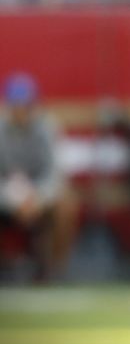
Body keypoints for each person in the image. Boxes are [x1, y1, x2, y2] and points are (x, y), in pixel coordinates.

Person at [0, 72, 78, 283]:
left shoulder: (47, 127)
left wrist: (36, 198)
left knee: (65, 205)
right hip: (7, 198)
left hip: (38, 198)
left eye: (25, 105)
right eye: (16, 105)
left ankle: (53, 273)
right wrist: (12, 200)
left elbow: (56, 172)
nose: (21, 110)